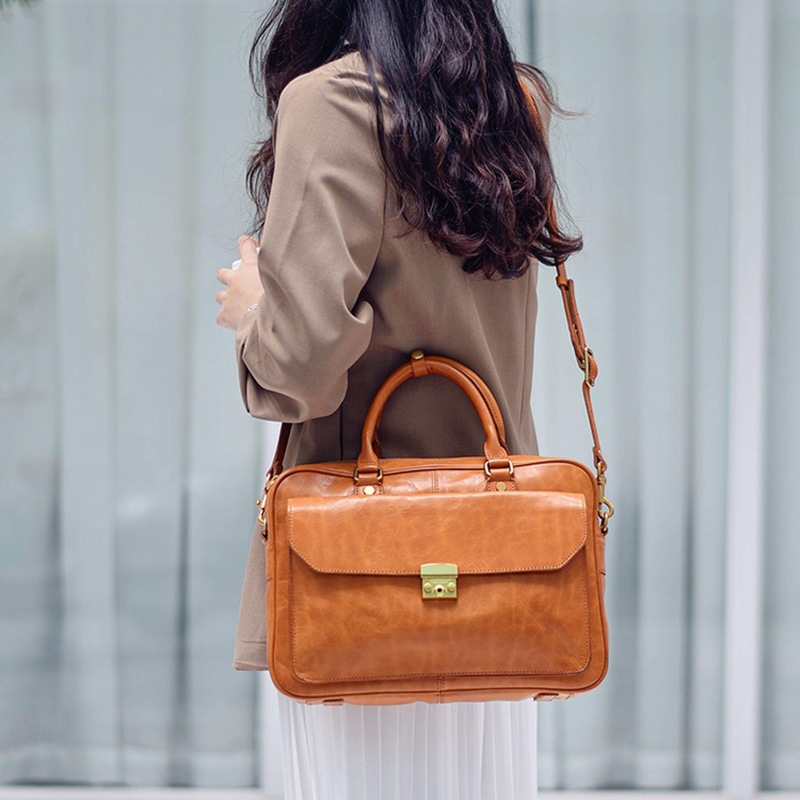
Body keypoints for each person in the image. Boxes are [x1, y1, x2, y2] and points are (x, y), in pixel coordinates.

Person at [215, 1, 583, 797]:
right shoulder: (509, 106)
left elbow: (300, 363)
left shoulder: (331, 102)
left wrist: (252, 310)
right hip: (498, 569)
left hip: (360, 574)